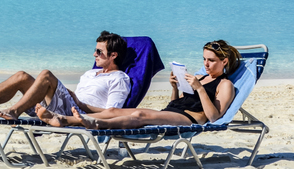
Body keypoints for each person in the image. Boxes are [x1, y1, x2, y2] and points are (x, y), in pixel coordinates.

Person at [35, 40, 241, 129]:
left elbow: (215, 117)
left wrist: (199, 89)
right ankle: (66, 117)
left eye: (211, 61)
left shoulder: (225, 85)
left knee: (139, 116)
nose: (206, 64)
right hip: (172, 112)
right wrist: (175, 88)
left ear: (224, 62)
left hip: (190, 119)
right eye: (204, 59)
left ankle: (76, 122)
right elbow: (177, 103)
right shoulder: (202, 77)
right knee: (115, 110)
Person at [0, 31, 131, 120]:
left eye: (99, 52)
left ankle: (13, 112)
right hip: (68, 104)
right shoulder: (91, 73)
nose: (94, 55)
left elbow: (112, 113)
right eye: (95, 50)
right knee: (21, 76)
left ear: (113, 55)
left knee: (46, 75)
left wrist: (81, 104)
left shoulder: (120, 79)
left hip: (79, 114)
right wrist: (73, 97)